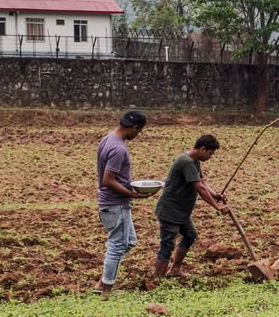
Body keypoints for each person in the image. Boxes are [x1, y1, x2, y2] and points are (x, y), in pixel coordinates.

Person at [152, 133, 231, 284]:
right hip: (170, 209)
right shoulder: (187, 161)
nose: (210, 156)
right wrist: (217, 207)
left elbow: (202, 181)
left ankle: (175, 269)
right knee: (167, 244)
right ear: (202, 149)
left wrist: (215, 195)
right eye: (210, 153)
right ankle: (157, 280)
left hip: (182, 211)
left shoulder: (195, 161)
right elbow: (199, 188)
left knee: (190, 235)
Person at [93, 108, 148, 296]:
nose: (138, 135)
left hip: (110, 204)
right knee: (117, 245)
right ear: (134, 127)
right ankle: (107, 290)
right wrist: (132, 194)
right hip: (115, 204)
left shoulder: (108, 139)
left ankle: (101, 283)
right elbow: (108, 180)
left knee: (129, 241)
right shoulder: (118, 148)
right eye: (139, 131)